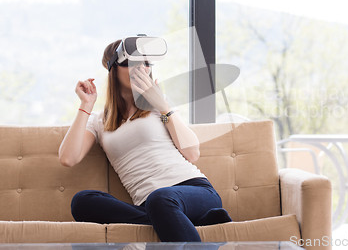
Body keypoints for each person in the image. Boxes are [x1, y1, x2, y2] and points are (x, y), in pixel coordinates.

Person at [58, 39, 232, 242]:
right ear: (114, 68)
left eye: (147, 63)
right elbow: (68, 158)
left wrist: (163, 105)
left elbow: (192, 153)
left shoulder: (159, 104)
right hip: (151, 205)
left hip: (194, 191)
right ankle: (183, 222)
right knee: (82, 201)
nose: (142, 68)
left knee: (160, 199)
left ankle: (175, 219)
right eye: (134, 62)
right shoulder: (99, 120)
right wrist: (86, 105)